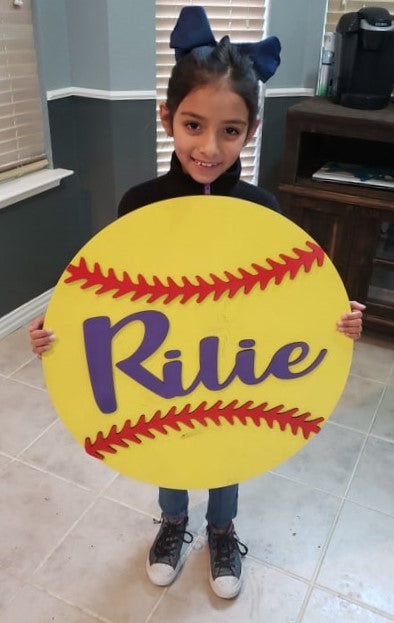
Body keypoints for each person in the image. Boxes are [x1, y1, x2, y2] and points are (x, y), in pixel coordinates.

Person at [29, 6, 365, 601]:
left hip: (233, 353)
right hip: (162, 358)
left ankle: (222, 527)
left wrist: (332, 322)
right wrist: (57, 336)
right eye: (192, 125)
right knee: (165, 435)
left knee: (228, 434)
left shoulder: (264, 213)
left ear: (250, 132)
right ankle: (174, 522)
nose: (209, 146)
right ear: (167, 119)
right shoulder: (139, 205)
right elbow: (104, 307)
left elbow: (287, 305)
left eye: (230, 130)